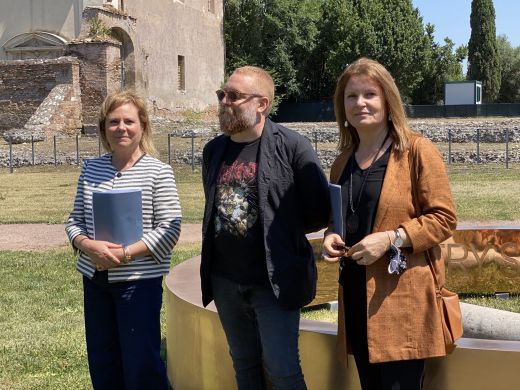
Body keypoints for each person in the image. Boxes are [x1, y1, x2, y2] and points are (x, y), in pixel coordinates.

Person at [322, 58, 457, 390]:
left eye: (370, 94)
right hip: (355, 295)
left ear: (388, 100)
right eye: (351, 96)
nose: (360, 103)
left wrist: (392, 238)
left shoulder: (416, 150)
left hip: (401, 299)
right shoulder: (341, 162)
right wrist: (330, 236)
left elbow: (444, 219)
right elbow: (339, 220)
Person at [200, 66, 330, 390]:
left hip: (274, 283)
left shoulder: (293, 146)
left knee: (283, 371)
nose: (224, 102)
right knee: (244, 366)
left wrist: (283, 229)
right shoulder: (213, 150)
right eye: (222, 95)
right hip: (225, 282)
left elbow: (320, 210)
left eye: (233, 96)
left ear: (262, 104)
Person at [65, 90, 182, 389]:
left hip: (138, 283)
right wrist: (88, 246)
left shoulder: (158, 172)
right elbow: (74, 221)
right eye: (113, 121)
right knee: (103, 360)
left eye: (128, 121)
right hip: (95, 280)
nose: (121, 128)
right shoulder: (91, 169)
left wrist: (124, 254)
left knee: (141, 362)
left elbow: (170, 228)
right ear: (104, 127)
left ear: (142, 125)